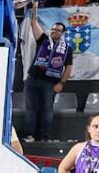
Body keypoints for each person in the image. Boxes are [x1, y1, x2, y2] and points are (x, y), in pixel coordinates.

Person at [24, 14, 69, 142]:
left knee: (47, 110)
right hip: (32, 80)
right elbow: (33, 23)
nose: (55, 32)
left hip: (50, 83)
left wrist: (62, 83)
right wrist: (34, 7)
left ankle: (45, 137)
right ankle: (29, 135)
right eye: (53, 29)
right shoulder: (43, 40)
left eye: (58, 30)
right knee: (30, 109)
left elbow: (69, 67)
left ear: (63, 33)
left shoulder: (66, 48)